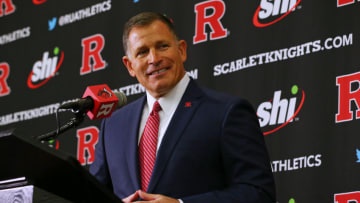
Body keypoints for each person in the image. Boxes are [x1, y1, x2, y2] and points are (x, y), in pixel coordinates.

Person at [90, 12, 276, 203]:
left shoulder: (227, 112)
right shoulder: (113, 125)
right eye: (142, 52)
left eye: (162, 46)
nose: (154, 59)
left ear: (182, 50)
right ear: (129, 65)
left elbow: (259, 193)